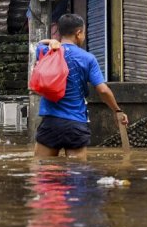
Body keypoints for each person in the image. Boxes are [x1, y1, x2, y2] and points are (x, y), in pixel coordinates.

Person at [34, 13, 127, 159]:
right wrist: (117, 110)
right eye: (83, 33)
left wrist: (51, 40)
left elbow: (39, 44)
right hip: (76, 123)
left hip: (50, 122)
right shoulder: (88, 58)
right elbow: (102, 90)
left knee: (43, 173)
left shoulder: (46, 51)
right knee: (77, 173)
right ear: (78, 33)